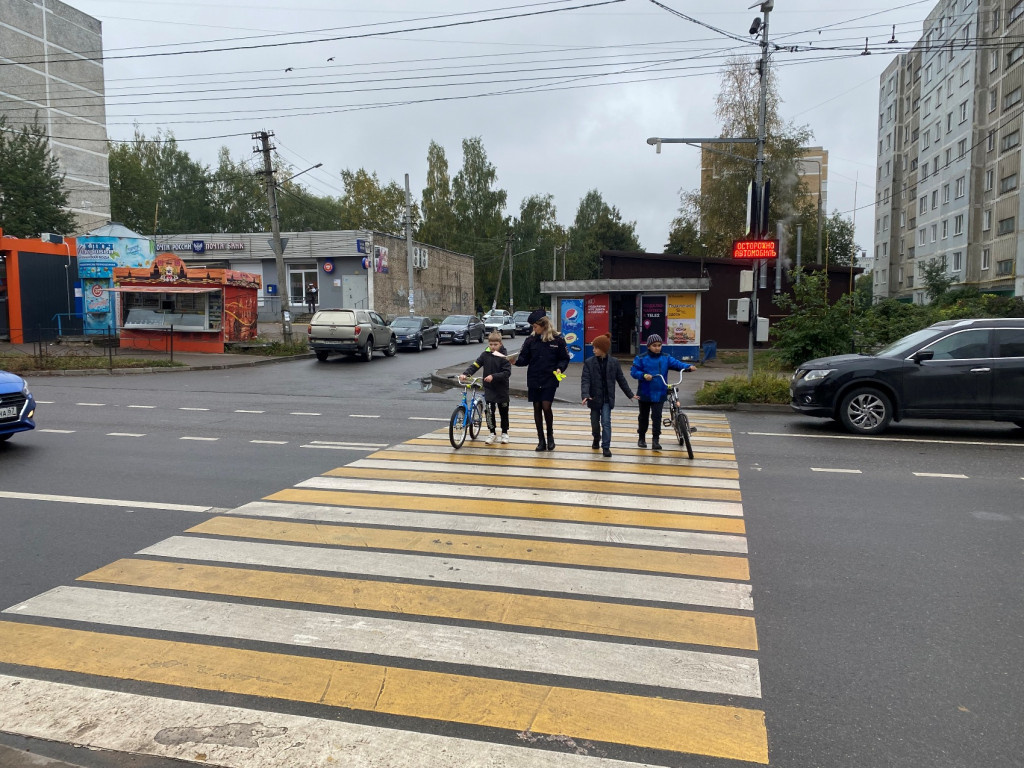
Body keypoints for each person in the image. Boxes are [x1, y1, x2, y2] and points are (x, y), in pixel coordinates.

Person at [514, 309, 569, 451]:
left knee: (546, 406)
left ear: (543, 325)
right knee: (537, 407)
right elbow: (523, 359)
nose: (533, 329)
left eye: (535, 326)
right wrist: (514, 361)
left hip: (550, 378)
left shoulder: (557, 340)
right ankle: (541, 440)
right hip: (534, 377)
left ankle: (550, 437)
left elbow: (564, 358)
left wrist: (560, 368)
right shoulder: (530, 340)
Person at [630, 333, 695, 451]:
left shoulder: (666, 357)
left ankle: (656, 440)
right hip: (645, 393)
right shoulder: (641, 358)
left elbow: (677, 364)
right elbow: (634, 372)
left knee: (657, 417)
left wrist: (688, 366)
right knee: (643, 417)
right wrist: (644, 375)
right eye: (654, 345)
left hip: (659, 393)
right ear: (648, 346)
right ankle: (641, 438)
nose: (657, 347)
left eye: (659, 345)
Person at [581, 333, 636, 457]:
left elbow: (621, 379)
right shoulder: (589, 362)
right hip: (594, 398)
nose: (593, 350)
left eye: (596, 348)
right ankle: (596, 437)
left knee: (606, 422)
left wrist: (630, 394)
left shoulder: (614, 362)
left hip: (607, 399)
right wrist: (585, 394)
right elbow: (585, 380)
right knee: (595, 423)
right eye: (593, 347)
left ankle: (606, 447)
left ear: (604, 349)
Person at [459, 332, 512, 445]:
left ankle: (504, 433)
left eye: (495, 344)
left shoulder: (505, 357)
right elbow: (475, 365)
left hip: (502, 389)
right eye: (491, 344)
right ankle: (492, 433)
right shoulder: (485, 355)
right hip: (489, 388)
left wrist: (493, 376)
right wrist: (465, 374)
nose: (493, 347)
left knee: (504, 412)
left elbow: (507, 372)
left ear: (500, 344)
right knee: (489, 412)